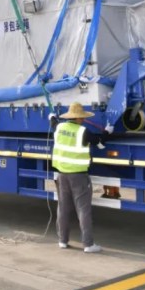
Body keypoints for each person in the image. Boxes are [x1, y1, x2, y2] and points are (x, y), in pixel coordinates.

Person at [51, 102, 103, 253]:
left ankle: (62, 240)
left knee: (63, 208)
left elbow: (53, 123)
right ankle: (88, 244)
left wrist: (52, 117)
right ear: (80, 118)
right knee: (83, 210)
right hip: (78, 176)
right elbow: (99, 142)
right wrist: (107, 131)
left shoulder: (59, 127)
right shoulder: (83, 131)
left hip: (62, 175)